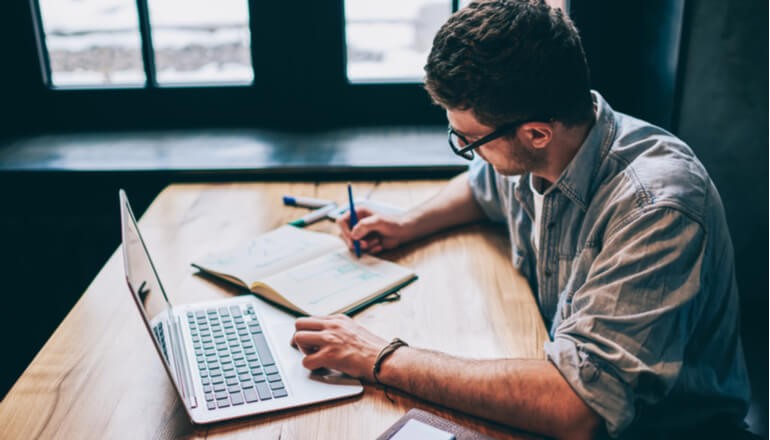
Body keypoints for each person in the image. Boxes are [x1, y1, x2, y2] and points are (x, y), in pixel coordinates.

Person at [291, 1, 751, 438]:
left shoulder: (656, 209)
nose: (469, 153)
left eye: (469, 141)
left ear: (535, 133)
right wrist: (407, 223)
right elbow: (481, 187)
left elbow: (578, 409)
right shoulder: (549, 144)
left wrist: (380, 356)